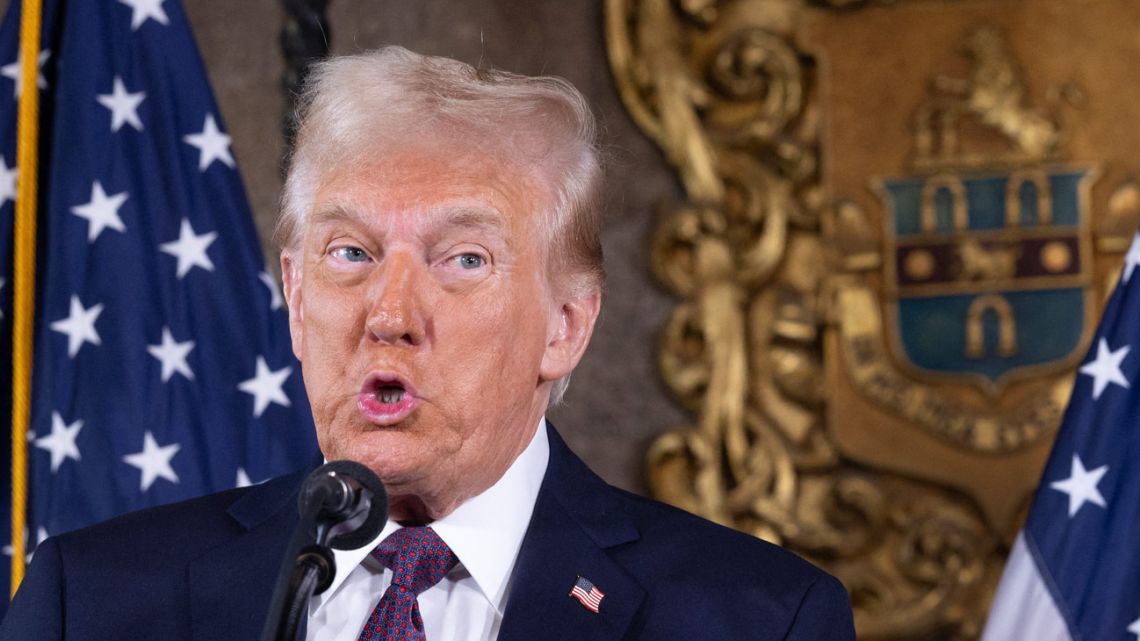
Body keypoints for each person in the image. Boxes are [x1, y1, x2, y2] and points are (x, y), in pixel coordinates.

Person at [1, 47, 855, 641]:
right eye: (351, 253)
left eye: (463, 258)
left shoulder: (757, 618)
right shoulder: (95, 600)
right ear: (296, 299)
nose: (390, 311)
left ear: (566, 325)